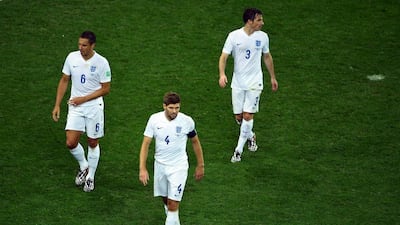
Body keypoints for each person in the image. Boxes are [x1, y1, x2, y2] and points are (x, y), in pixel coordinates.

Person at [52, 31, 111, 192]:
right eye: (79, 44)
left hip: (94, 108)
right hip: (75, 106)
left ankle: (90, 177)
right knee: (70, 142)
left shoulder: (102, 62)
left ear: (92, 45)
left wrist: (83, 99)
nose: (80, 48)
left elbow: (106, 89)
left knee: (92, 142)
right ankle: (84, 166)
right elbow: (64, 80)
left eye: (84, 45)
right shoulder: (72, 58)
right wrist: (57, 105)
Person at [218, 8, 278, 163]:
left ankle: (238, 151)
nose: (262, 23)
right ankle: (251, 135)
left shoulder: (263, 37)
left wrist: (272, 77)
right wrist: (222, 74)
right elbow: (224, 56)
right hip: (238, 83)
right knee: (239, 117)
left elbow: (267, 57)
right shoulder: (234, 36)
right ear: (250, 21)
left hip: (255, 82)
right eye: (259, 20)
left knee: (247, 115)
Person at [139, 92, 205, 225]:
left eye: (177, 108)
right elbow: (146, 143)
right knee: (167, 202)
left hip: (178, 167)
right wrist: (142, 168)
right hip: (160, 166)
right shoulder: (154, 120)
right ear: (164, 106)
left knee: (173, 204)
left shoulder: (187, 121)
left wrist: (200, 165)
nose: (174, 111)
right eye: (171, 108)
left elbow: (195, 141)